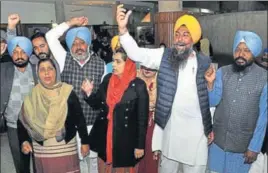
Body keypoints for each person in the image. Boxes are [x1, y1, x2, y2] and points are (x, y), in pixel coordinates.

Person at [116, 4, 213, 173]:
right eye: (177, 34)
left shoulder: (204, 62)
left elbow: (208, 99)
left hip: (196, 132)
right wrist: (123, 31)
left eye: (185, 34)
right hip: (170, 130)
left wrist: (209, 127)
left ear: (194, 38)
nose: (180, 39)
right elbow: (137, 54)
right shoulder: (165, 55)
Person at [46, 16, 106, 173]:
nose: (78, 46)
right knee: (76, 163)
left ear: (88, 44)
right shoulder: (63, 58)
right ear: (69, 46)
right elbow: (50, 37)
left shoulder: (101, 64)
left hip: (93, 123)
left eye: (82, 42)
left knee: (93, 161)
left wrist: (92, 93)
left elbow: (103, 97)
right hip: (71, 123)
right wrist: (71, 23)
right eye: (74, 43)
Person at [205, 30, 267, 173]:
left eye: (246, 50)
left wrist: (254, 147)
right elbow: (213, 101)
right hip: (218, 143)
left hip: (242, 148)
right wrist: (210, 84)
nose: (241, 54)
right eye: (238, 49)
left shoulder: (264, 78)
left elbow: (264, 117)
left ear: (255, 52)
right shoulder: (223, 72)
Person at [81, 48, 149, 173]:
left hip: (127, 141)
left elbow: (142, 119)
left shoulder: (138, 85)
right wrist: (89, 93)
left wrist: (140, 146)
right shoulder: (108, 80)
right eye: (113, 61)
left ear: (128, 64)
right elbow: (97, 104)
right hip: (106, 137)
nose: (113, 64)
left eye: (118, 62)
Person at [18, 58, 89, 173]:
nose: (46, 73)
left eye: (50, 68)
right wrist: (24, 141)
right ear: (37, 74)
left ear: (56, 71)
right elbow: (22, 121)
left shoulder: (67, 91)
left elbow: (79, 118)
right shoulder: (32, 96)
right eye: (42, 70)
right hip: (42, 149)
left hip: (65, 147)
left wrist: (85, 142)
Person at [1, 36, 38, 173]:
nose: (19, 56)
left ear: (29, 53)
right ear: (10, 54)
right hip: (13, 126)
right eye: (15, 52)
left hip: (36, 125)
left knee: (38, 161)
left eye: (23, 52)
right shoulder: (4, 70)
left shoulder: (37, 70)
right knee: (20, 163)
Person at [137, 65, 158, 173]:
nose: (147, 69)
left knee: (152, 156)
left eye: (151, 66)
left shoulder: (163, 81)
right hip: (136, 122)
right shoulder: (133, 79)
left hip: (156, 121)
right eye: (144, 66)